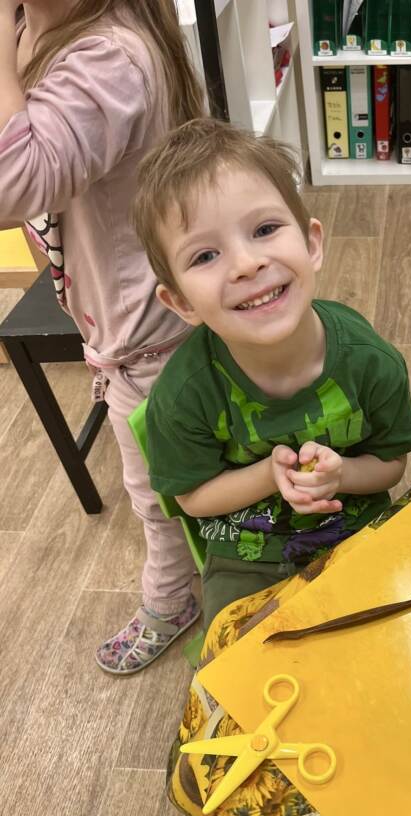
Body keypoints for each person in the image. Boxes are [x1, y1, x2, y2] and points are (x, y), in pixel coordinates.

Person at [133, 117, 411, 633]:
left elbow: (391, 464)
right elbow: (192, 499)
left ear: (312, 244)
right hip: (247, 556)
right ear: (180, 302)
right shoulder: (182, 397)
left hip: (358, 526)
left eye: (265, 229)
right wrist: (269, 475)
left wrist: (342, 474)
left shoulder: (371, 362)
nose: (246, 264)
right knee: (236, 667)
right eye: (205, 255)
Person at [0, 0, 206, 674]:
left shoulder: (106, 54)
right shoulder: (43, 25)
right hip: (122, 318)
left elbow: (10, 183)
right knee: (171, 477)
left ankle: (172, 600)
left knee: (154, 491)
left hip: (146, 335)